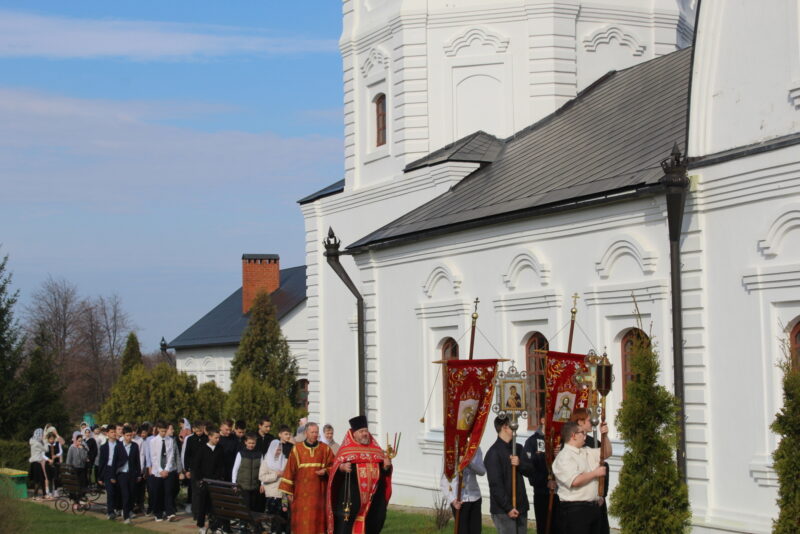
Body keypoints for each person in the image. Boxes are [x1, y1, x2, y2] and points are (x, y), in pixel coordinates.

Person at [327, 415, 392, 534]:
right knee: (347, 526)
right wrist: (341, 467)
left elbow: (383, 474)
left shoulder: (376, 450)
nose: (365, 434)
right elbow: (335, 470)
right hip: (352, 497)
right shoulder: (346, 450)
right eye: (361, 431)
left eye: (366, 431)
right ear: (354, 434)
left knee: (373, 523)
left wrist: (386, 467)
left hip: (373, 499)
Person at [551, 421, 608, 534]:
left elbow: (606, 452)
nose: (585, 435)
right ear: (573, 435)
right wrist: (595, 473)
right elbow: (575, 481)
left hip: (593, 507)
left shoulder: (585, 451)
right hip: (575, 510)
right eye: (582, 433)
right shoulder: (564, 456)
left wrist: (605, 436)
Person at [277, 422, 333, 534]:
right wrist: (289, 492)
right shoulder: (297, 449)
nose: (315, 434)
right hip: (301, 495)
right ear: (306, 433)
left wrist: (326, 471)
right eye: (312, 432)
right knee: (301, 523)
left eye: (316, 432)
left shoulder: (325, 449)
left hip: (319, 495)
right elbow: (289, 471)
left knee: (317, 522)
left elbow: (333, 465)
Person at [484, 415, 533, 534]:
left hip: (520, 506)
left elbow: (530, 470)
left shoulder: (518, 448)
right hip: (504, 510)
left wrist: (519, 463)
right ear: (505, 427)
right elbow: (495, 485)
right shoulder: (493, 453)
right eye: (513, 425)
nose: (515, 428)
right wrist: (508, 508)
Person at [570, 409, 611, 534]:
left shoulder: (590, 443)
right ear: (580, 422)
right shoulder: (569, 444)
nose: (592, 423)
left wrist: (604, 435)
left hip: (597, 498)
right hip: (579, 503)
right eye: (588, 420)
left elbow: (606, 453)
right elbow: (575, 478)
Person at [524, 417, 560, 534]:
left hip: (562, 494)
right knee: (544, 528)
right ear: (543, 420)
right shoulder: (532, 441)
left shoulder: (561, 440)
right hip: (543, 493)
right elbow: (529, 468)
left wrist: (561, 454)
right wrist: (545, 482)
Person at [440, 446, 486, 534]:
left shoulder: (475, 447)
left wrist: (468, 463)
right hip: (459, 500)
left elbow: (482, 471)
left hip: (474, 497)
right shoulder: (450, 450)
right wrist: (453, 500)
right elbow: (443, 481)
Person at [191, 426, 225, 534]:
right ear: (210, 437)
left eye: (219, 438)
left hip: (215, 482)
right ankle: (201, 525)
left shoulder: (220, 449)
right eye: (216, 438)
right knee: (202, 505)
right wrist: (200, 479)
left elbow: (221, 466)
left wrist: (219, 478)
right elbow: (196, 466)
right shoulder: (202, 449)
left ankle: (215, 527)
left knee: (215, 506)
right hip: (204, 482)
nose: (217, 440)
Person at [259, 425, 293, 533]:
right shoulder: (267, 461)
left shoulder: (285, 460)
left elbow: (290, 473)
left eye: (280, 449)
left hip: (283, 493)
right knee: (275, 517)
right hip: (273, 494)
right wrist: (276, 475)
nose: (278, 451)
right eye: (276, 449)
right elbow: (262, 476)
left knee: (285, 514)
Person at [147, 420, 179, 522]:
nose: (164, 433)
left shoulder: (170, 440)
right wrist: (160, 470)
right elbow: (154, 457)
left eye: (165, 431)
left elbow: (170, 456)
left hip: (168, 470)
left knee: (168, 491)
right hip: (157, 472)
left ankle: (170, 513)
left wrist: (166, 469)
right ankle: (158, 513)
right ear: (158, 430)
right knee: (158, 492)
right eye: (161, 431)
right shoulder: (153, 441)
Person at [115, 425, 142, 525]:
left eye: (130, 435)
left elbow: (137, 461)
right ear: (123, 435)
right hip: (122, 474)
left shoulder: (135, 446)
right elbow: (114, 461)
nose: (129, 437)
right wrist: (113, 475)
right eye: (127, 435)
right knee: (125, 495)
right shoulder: (119, 446)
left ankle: (128, 510)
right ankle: (126, 517)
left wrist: (138, 474)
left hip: (132, 473)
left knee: (131, 494)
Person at [183, 420, 208, 514]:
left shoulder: (206, 438)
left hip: (204, 469)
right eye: (197, 431)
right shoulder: (190, 439)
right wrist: (187, 469)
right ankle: (195, 511)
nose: (198, 433)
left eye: (200, 431)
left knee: (204, 490)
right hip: (193, 469)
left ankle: (204, 510)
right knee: (195, 491)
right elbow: (187, 455)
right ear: (193, 430)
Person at [232, 433, 262, 511]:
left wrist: (262, 484)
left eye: (253, 443)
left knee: (253, 505)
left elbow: (262, 470)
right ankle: (243, 522)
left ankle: (251, 522)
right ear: (245, 442)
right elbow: (235, 469)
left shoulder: (259, 454)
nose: (251, 445)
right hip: (243, 485)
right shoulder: (241, 453)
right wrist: (234, 483)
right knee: (245, 505)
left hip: (255, 485)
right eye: (249, 443)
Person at [98, 425, 121, 520]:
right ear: (107, 434)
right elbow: (102, 462)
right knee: (110, 492)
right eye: (111, 432)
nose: (114, 434)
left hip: (118, 470)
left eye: (114, 432)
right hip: (108, 470)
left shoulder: (120, 445)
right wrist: (100, 477)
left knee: (118, 491)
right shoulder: (103, 447)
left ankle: (118, 508)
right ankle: (110, 511)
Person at [28, 428, 49, 500]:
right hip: (36, 463)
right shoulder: (37, 443)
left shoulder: (33, 441)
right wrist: (45, 441)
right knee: (38, 480)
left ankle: (44, 494)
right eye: (42, 434)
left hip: (36, 463)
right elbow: (46, 449)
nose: (42, 436)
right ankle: (35, 496)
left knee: (42, 478)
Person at [43, 429, 63, 496]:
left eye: (53, 439)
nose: (51, 440)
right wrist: (48, 459)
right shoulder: (45, 445)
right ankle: (50, 491)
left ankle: (56, 490)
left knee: (56, 477)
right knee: (49, 478)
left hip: (56, 463)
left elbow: (60, 451)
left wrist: (56, 456)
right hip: (48, 463)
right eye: (50, 439)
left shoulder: (57, 444)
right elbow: (42, 454)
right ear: (48, 439)